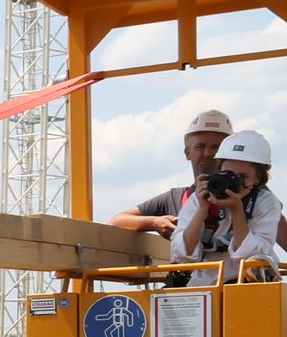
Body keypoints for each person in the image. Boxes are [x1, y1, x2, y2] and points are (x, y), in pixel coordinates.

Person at [102, 105, 237, 251]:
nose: (207, 153)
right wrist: (154, 222)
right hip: (192, 273)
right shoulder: (175, 198)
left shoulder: (247, 194)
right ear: (187, 152)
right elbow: (116, 221)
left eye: (215, 147)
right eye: (200, 146)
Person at [176, 128, 287, 270]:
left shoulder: (265, 203)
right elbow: (181, 254)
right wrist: (202, 210)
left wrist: (237, 210)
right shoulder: (202, 197)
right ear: (219, 170)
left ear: (258, 178)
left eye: (242, 177)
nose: (234, 182)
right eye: (228, 174)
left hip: (249, 282)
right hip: (205, 280)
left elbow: (252, 257)